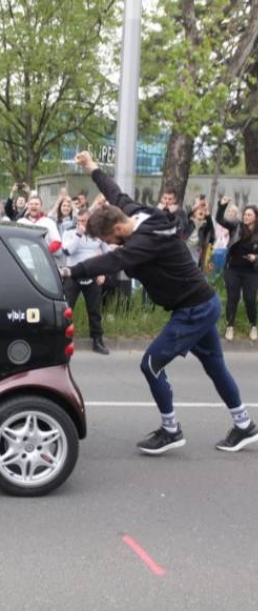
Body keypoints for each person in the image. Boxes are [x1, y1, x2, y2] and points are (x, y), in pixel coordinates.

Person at [61, 150, 258, 453]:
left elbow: (113, 262)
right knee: (215, 366)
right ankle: (244, 425)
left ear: (116, 230)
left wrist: (70, 270)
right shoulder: (138, 213)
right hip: (199, 304)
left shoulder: (143, 242)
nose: (110, 245)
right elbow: (115, 193)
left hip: (194, 309)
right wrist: (92, 168)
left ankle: (171, 430)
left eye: (109, 241)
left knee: (150, 364)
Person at [61, 208, 110, 354]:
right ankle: (63, 339)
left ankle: (97, 340)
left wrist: (102, 272)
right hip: (72, 274)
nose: (82, 223)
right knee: (67, 309)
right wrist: (78, 234)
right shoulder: (69, 231)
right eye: (80, 221)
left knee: (95, 309)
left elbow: (107, 255)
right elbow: (67, 251)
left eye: (85, 221)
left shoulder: (97, 233)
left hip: (92, 274)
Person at [216, 198, 258, 341]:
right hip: (233, 269)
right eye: (245, 214)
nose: (246, 217)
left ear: (255, 217)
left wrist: (256, 258)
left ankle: (253, 326)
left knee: (250, 299)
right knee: (233, 298)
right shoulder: (236, 226)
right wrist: (222, 206)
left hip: (251, 272)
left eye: (249, 215)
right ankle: (230, 327)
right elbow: (220, 219)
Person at [183, 196, 214, 270]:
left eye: (203, 210)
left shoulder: (205, 226)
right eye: (198, 209)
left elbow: (211, 229)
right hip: (183, 253)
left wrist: (207, 212)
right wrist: (196, 206)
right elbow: (184, 217)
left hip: (195, 256)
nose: (201, 211)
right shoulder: (188, 222)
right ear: (194, 212)